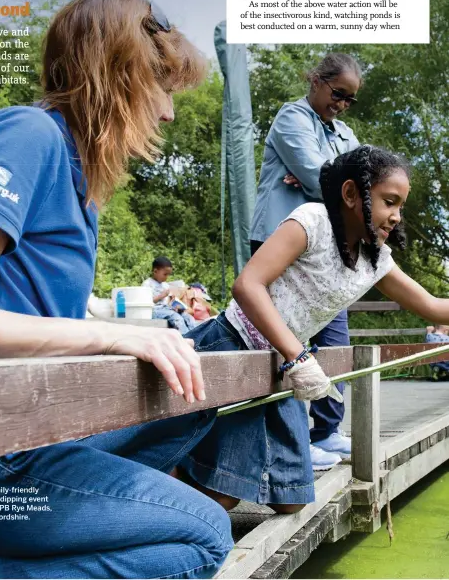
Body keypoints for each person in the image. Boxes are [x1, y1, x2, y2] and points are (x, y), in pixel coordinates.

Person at [0, 0, 234, 580]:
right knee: (206, 536)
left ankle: (5, 549)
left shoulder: (76, 175)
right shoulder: (26, 135)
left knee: (192, 399)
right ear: (121, 74)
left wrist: (115, 329)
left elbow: (17, 308)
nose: (168, 111)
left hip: (15, 431)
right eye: (163, 86)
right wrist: (110, 339)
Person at [177, 145, 449, 513]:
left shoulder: (376, 259)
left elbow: (432, 306)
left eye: (400, 206)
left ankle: (190, 458)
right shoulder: (311, 221)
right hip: (236, 347)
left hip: (280, 369)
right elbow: (247, 285)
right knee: (223, 495)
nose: (397, 216)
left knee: (290, 499)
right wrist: (297, 354)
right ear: (351, 193)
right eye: (389, 202)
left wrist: (292, 357)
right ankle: (172, 469)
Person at [249, 53, 362, 469]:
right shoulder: (290, 119)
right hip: (280, 239)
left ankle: (326, 431)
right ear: (316, 81)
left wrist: (329, 179)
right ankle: (290, 442)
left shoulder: (344, 131)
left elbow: (360, 187)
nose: (343, 105)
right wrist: (328, 180)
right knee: (286, 338)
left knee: (335, 337)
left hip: (325, 247)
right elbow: (323, 178)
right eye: (338, 94)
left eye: (350, 100)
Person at [142, 256, 196, 335]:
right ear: (155, 271)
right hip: (154, 310)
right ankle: (185, 339)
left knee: (188, 317)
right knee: (177, 318)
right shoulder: (147, 284)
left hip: (166, 309)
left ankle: (195, 337)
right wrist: (161, 296)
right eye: (165, 274)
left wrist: (175, 304)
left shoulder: (165, 285)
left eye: (168, 275)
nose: (167, 277)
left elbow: (167, 302)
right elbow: (146, 302)